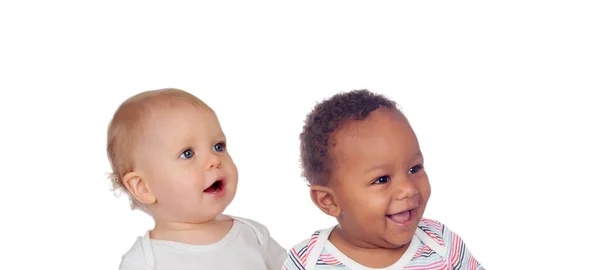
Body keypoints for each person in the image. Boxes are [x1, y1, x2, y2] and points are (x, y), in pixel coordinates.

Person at [282, 90, 483, 269]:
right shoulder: (306, 262)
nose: (408, 188)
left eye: (415, 168)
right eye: (382, 179)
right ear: (329, 201)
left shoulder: (441, 244)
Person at [106, 88, 286, 269]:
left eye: (218, 146)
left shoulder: (254, 235)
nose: (214, 160)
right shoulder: (143, 262)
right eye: (187, 153)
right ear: (143, 187)